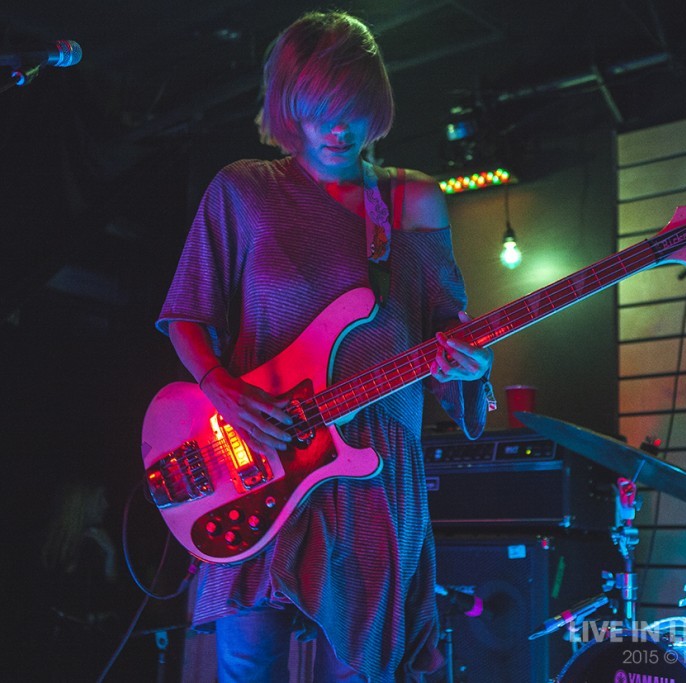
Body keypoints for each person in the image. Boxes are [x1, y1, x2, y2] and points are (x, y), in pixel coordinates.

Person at [156, 10, 494, 682]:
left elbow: (448, 327)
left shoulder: (412, 199)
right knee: (248, 662)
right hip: (259, 448)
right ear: (290, 107)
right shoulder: (245, 189)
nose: (339, 128)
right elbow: (186, 313)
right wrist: (226, 388)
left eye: (354, 110)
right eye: (320, 111)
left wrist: (473, 362)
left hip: (373, 467)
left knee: (358, 668)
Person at [32, 478, 122, 678]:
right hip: (60, 655)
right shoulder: (51, 545)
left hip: (90, 653)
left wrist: (111, 558)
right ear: (83, 500)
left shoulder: (100, 543)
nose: (106, 505)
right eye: (101, 498)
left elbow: (112, 604)